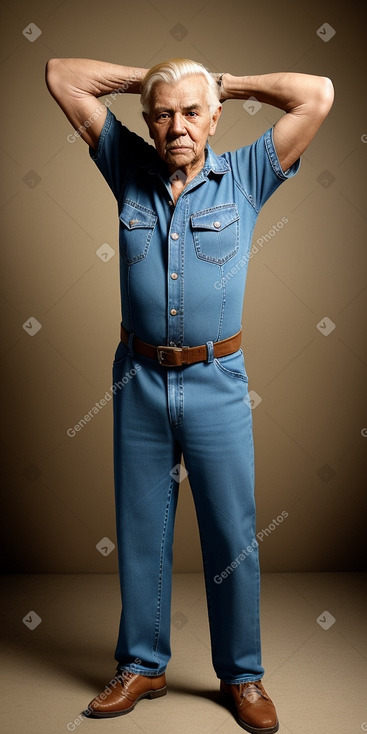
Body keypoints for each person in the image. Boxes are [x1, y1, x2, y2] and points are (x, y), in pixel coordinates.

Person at [46, 56, 333, 733]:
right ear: (147, 120)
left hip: (216, 383)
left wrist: (218, 80)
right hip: (138, 379)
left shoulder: (248, 174)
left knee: (233, 534)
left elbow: (317, 93)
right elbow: (63, 75)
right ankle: (142, 666)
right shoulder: (126, 166)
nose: (176, 125)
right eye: (163, 113)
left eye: (191, 111)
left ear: (215, 118)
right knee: (140, 529)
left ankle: (242, 676)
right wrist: (156, 78)